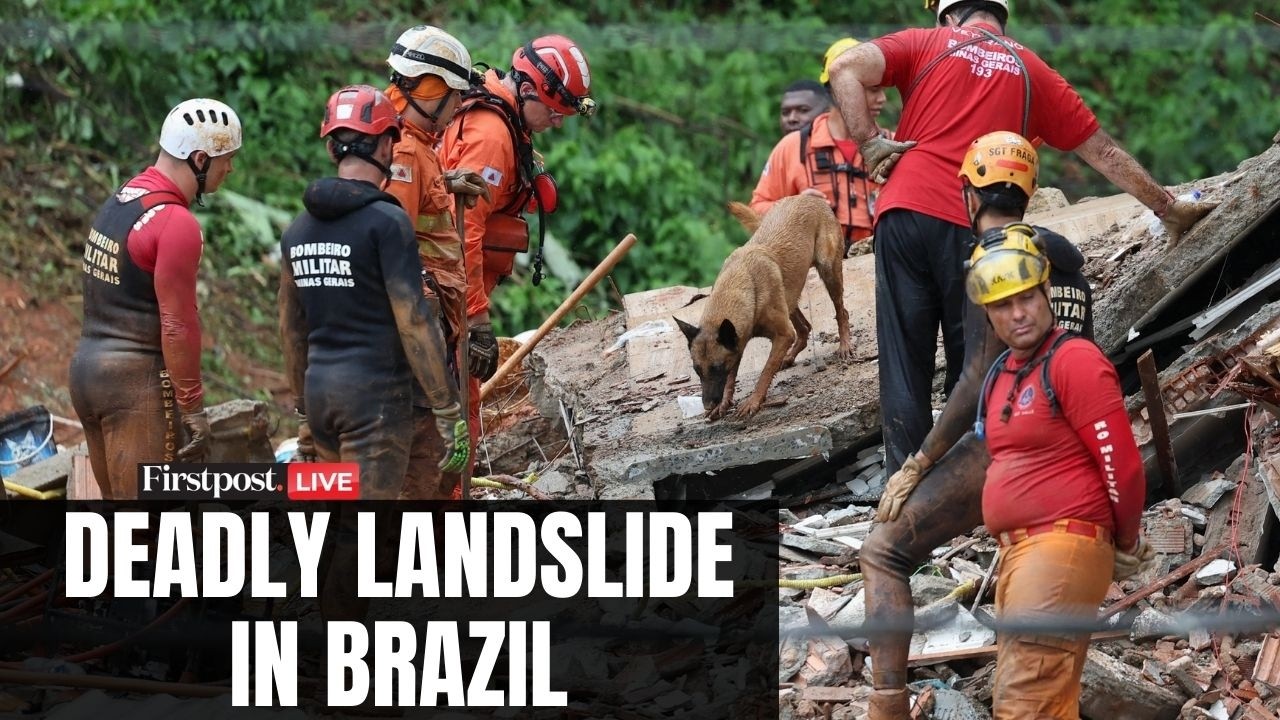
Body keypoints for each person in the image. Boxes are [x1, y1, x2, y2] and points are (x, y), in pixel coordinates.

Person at [824, 0, 1218, 477]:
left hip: (903, 212)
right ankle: (959, 489)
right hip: (976, 227)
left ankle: (900, 494)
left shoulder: (924, 43)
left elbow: (844, 67)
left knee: (904, 363)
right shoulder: (1033, 70)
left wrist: (869, 142)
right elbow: (1105, 152)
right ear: (1001, 15)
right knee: (971, 363)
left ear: (948, 16)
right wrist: (1167, 207)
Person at [859, 132, 1100, 719]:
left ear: (967, 192)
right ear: (1030, 190)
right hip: (1074, 447)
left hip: (1016, 440)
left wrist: (918, 463)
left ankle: (885, 706)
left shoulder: (992, 257)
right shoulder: (1060, 256)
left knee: (883, 551)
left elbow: (972, 380)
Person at [965, 206, 1150, 719]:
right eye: (1002, 305)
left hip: (1060, 546)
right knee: (1046, 699)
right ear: (987, 314)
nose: (1017, 313)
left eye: (1026, 297)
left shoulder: (1074, 360)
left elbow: (1123, 464)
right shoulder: (1005, 370)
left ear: (1047, 292)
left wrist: (1127, 539)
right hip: (1023, 555)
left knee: (1025, 703)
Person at [278, 84, 467, 499]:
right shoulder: (386, 223)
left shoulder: (297, 231)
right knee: (369, 542)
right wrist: (448, 408)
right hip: (376, 402)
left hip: (322, 397)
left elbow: (292, 332)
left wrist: (304, 414)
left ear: (333, 150)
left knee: (338, 519)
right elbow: (414, 320)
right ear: (386, 146)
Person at [69, 98, 240, 499]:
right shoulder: (175, 223)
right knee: (149, 534)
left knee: (122, 527)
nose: (230, 169)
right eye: (226, 159)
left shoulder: (123, 199)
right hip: (135, 388)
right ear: (200, 159)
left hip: (87, 376)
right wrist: (193, 407)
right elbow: (178, 325)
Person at [438, 34, 595, 468]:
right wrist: (475, 317)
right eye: (555, 111)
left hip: (451, 292)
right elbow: (461, 230)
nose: (558, 122)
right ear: (528, 89)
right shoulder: (491, 135)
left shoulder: (505, 118)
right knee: (455, 420)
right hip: (446, 298)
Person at [380, 25, 490, 499]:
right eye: (455, 99)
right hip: (421, 327)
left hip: (431, 323)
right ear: (433, 91)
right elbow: (394, 243)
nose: (458, 110)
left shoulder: (414, 147)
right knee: (428, 459)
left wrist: (445, 181)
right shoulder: (404, 151)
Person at [752, 38, 890, 253]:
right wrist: (792, 209)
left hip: (878, 266)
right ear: (838, 88)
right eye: (872, 89)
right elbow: (754, 212)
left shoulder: (893, 145)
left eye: (882, 89)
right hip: (814, 273)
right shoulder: (794, 147)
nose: (882, 99)